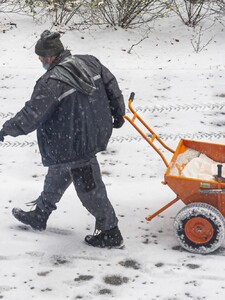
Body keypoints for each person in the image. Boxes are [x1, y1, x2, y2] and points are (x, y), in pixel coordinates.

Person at [0, 30, 125, 248]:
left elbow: (31, 115)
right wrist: (118, 112)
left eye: (40, 57)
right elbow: (111, 85)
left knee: (89, 187)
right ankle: (40, 214)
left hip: (74, 143)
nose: (40, 60)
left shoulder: (52, 82)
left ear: (50, 56)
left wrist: (6, 129)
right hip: (88, 132)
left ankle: (110, 230)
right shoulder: (90, 62)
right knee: (59, 171)